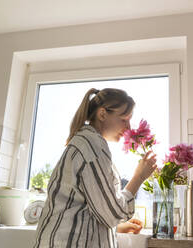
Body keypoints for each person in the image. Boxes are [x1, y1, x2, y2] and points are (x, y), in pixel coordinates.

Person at [33, 88, 157, 248]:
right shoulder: (93, 147)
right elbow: (113, 214)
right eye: (124, 119)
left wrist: (117, 227)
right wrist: (139, 177)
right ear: (102, 114)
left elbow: (86, 206)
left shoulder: (86, 142)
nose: (128, 128)